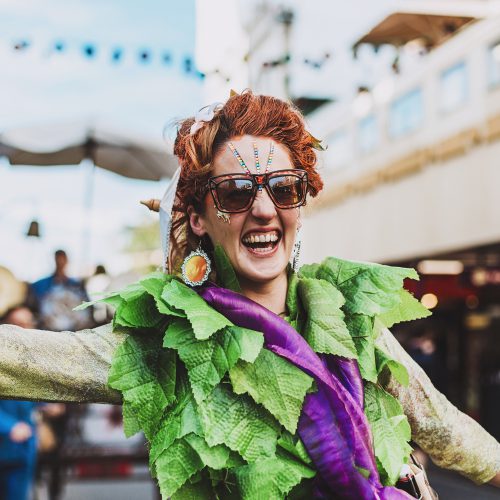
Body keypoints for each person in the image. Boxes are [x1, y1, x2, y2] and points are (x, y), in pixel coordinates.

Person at [0, 91, 499, 499]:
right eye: (237, 192)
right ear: (198, 217)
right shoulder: (167, 336)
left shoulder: (351, 317)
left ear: (299, 206)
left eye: (283, 189)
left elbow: (447, 430)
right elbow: (23, 358)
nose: (263, 209)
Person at [0, 307, 38, 500]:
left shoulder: (35, 360)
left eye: (26, 324)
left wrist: (50, 406)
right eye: (16, 324)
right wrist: (10, 426)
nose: (21, 329)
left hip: (23, 449)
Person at [30, 249, 93, 332]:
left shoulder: (77, 285)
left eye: (62, 259)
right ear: (54, 260)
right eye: (58, 259)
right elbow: (33, 308)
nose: (60, 262)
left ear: (67, 261)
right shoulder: (41, 285)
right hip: (48, 332)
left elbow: (88, 308)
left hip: (74, 332)